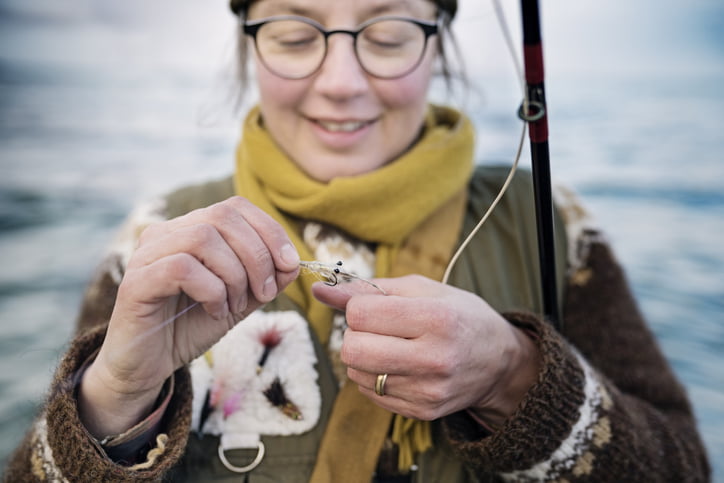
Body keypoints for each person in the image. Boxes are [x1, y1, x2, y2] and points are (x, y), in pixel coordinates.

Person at [4, 0, 710, 481]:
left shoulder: (552, 223)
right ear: (247, 47)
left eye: (389, 34)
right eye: (292, 35)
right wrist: (115, 395)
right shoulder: (151, 234)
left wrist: (514, 376)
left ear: (439, 42)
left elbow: (681, 465)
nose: (340, 83)